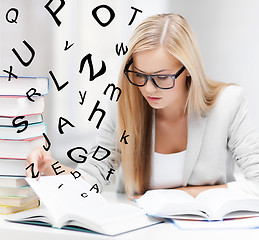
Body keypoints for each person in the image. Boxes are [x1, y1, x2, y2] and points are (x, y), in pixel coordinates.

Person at [26, 13, 259, 197]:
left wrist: (184, 195)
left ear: (188, 70)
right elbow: (91, 178)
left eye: (161, 77)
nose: (148, 88)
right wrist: (50, 167)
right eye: (139, 75)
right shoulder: (123, 107)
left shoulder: (228, 103)